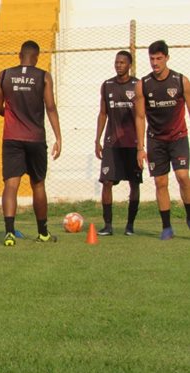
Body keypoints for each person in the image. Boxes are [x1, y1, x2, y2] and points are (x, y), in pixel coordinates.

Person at [0, 40, 62, 246]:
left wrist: (13, 116)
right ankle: (43, 233)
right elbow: (50, 108)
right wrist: (59, 137)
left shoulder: (4, 75)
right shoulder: (43, 76)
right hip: (35, 138)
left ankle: (9, 233)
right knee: (38, 184)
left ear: (19, 55)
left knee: (11, 185)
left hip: (12, 137)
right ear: (37, 57)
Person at [134, 40, 190, 240]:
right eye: (152, 59)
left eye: (159, 58)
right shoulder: (143, 84)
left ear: (167, 58)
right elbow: (140, 117)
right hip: (155, 140)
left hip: (178, 137)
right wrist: (140, 148)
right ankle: (166, 227)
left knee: (183, 176)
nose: (155, 62)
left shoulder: (181, 81)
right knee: (160, 182)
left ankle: (189, 216)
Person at [94, 51, 142, 236]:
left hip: (131, 143)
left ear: (129, 65)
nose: (118, 65)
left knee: (134, 183)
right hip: (111, 143)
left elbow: (141, 115)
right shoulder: (107, 85)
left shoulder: (137, 85)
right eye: (116, 62)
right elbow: (103, 113)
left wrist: (141, 146)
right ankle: (108, 225)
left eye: (122, 62)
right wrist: (97, 140)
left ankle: (130, 225)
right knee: (106, 182)